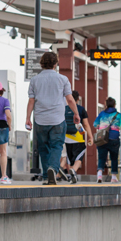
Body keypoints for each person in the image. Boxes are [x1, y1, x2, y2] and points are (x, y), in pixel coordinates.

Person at [25, 51, 79, 185]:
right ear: (56, 63)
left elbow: (31, 101)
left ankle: (45, 176)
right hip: (57, 120)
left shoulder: (34, 80)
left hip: (40, 120)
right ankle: (53, 170)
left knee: (43, 148)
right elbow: (70, 99)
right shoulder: (63, 79)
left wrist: (28, 118)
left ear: (42, 63)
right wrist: (76, 114)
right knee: (57, 146)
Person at [93, 97, 121, 183]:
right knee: (114, 158)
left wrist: (102, 126)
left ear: (106, 104)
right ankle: (113, 177)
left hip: (102, 139)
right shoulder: (118, 115)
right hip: (114, 139)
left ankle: (99, 175)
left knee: (102, 157)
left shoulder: (102, 114)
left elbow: (95, 124)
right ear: (114, 105)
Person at [61, 90, 93, 184]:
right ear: (78, 99)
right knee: (78, 159)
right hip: (78, 138)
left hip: (66, 138)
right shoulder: (81, 109)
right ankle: (74, 171)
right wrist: (90, 137)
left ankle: (72, 177)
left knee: (70, 160)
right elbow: (86, 124)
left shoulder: (64, 109)